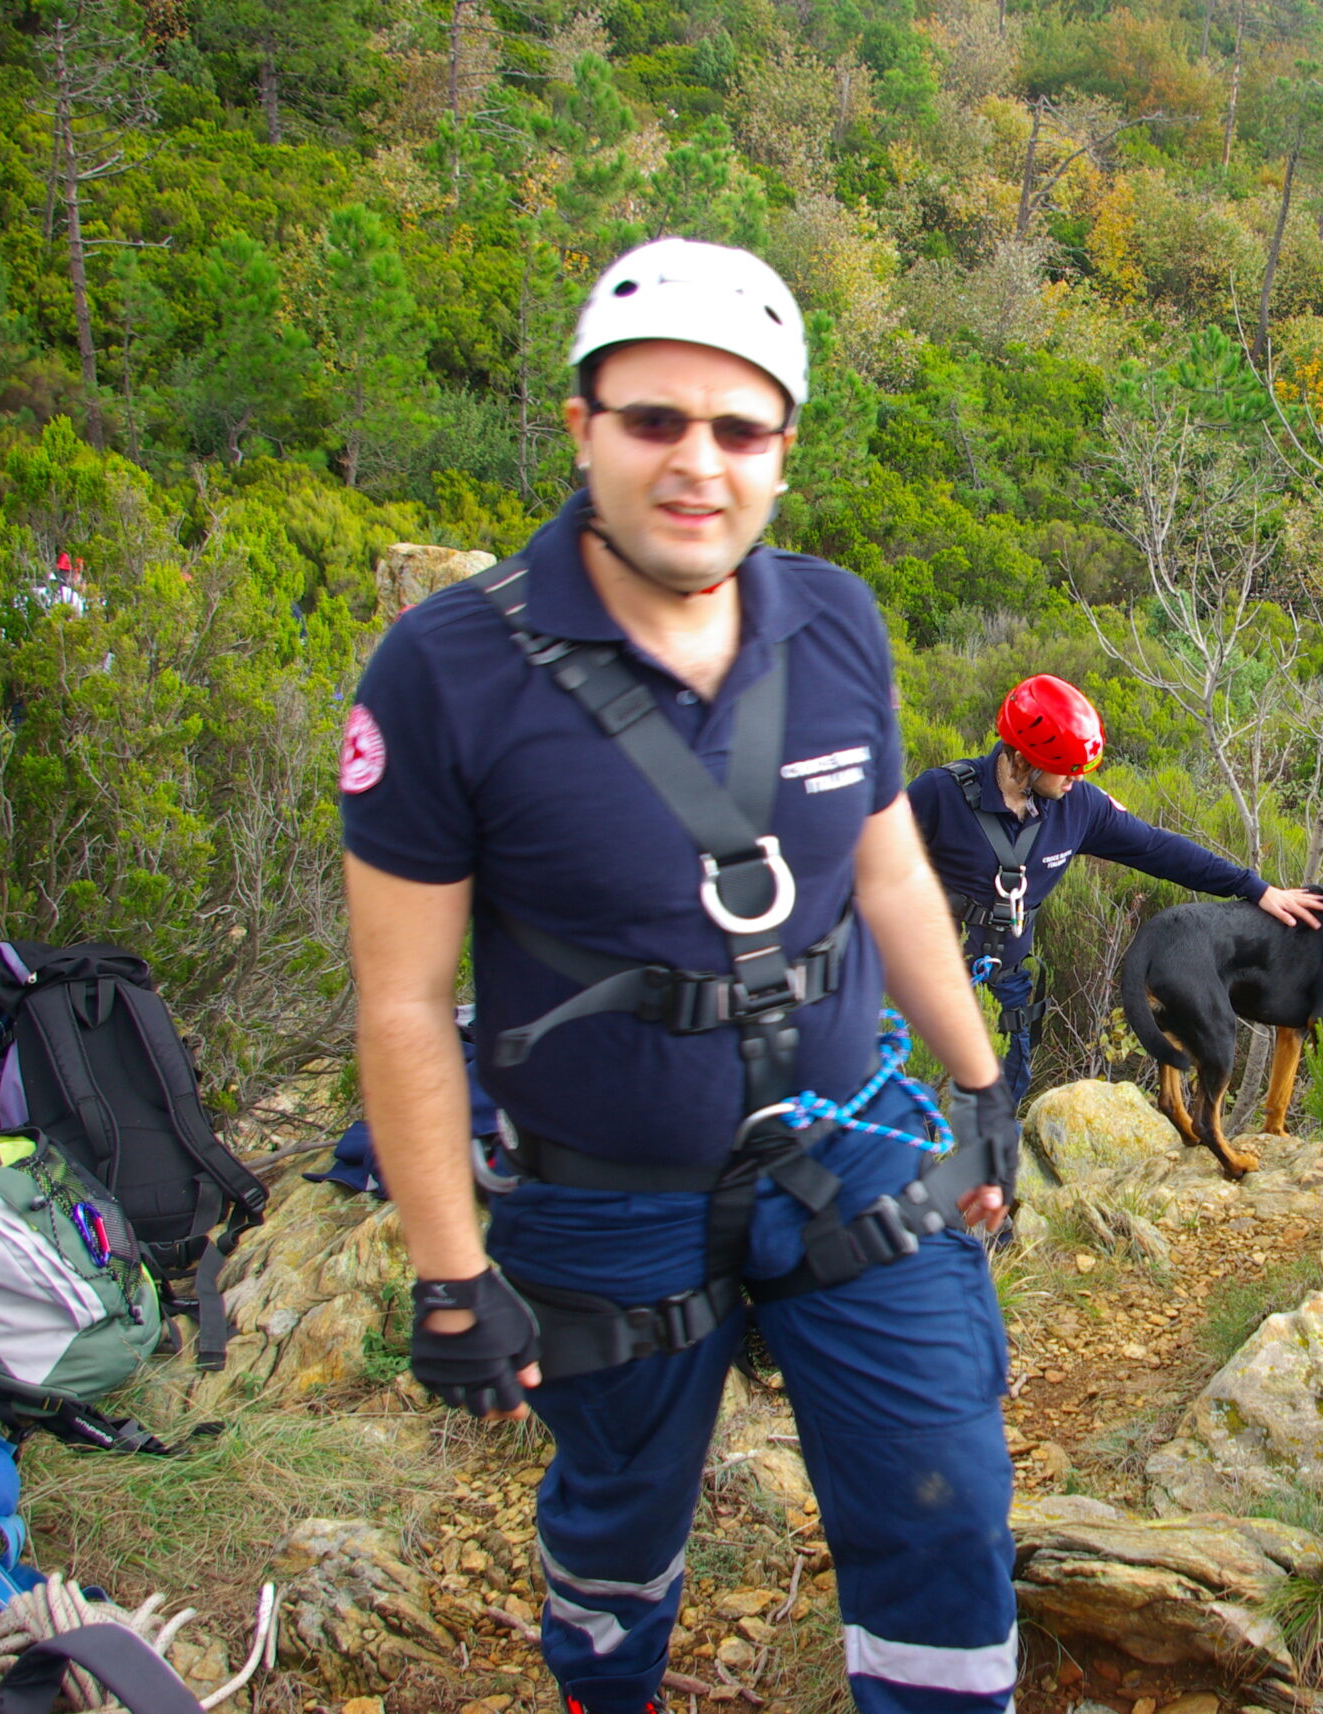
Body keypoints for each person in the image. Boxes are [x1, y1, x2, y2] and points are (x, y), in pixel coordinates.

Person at [340, 238, 1022, 1714]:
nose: (694, 462)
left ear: (784, 451)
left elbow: (891, 870)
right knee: (620, 1529)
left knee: (946, 1496)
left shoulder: (836, 621)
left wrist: (981, 1082)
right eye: (653, 419)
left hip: (848, 1144)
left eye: (738, 428)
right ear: (583, 428)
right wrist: (451, 1270)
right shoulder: (444, 673)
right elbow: (400, 999)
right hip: (603, 1195)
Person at [906, 676, 1323, 1107]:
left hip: (1007, 991)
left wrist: (1254, 888)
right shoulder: (940, 795)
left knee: (994, 1118)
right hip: (923, 983)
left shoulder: (1078, 807)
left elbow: (1158, 848)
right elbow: (869, 873)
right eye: (1068, 770)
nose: (1077, 780)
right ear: (1022, 760)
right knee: (912, 1115)